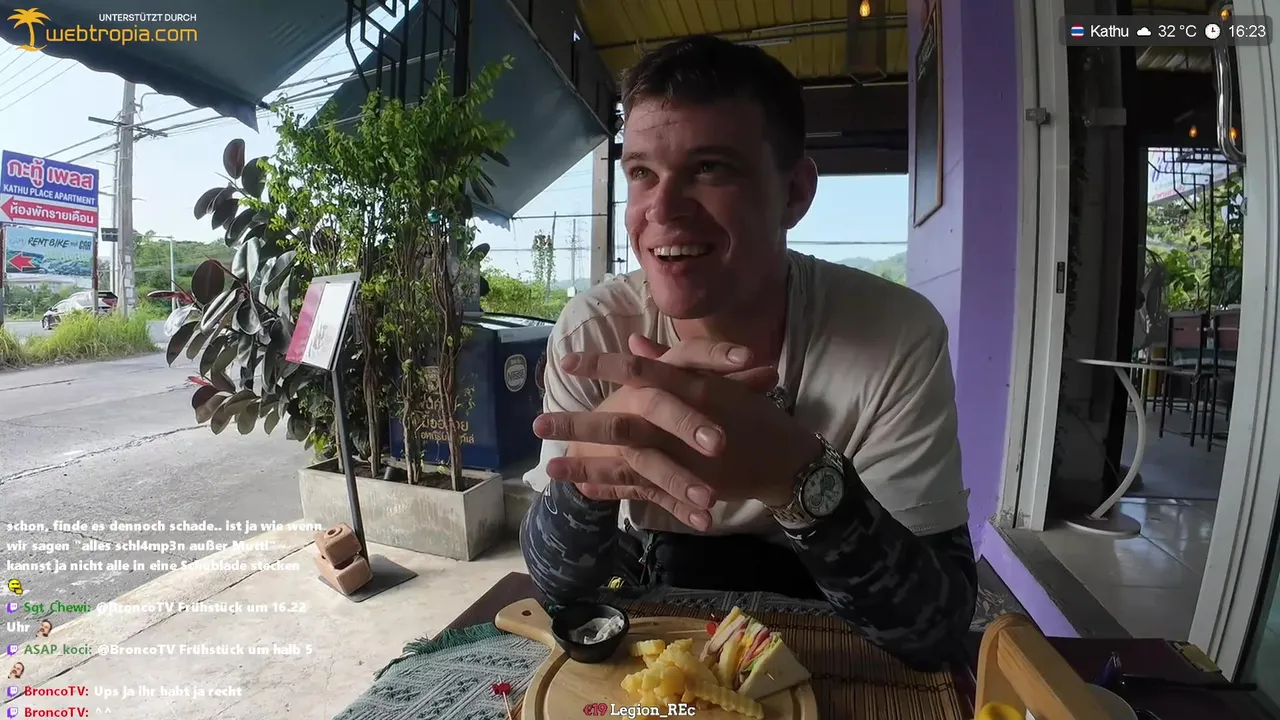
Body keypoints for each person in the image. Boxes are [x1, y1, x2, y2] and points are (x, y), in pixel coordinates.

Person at [519, 35, 976, 671]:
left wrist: (796, 475)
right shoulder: (593, 336)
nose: (661, 210)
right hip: (661, 651)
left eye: (710, 168)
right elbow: (561, 595)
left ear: (794, 193)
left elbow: (933, 631)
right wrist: (593, 473)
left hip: (839, 650)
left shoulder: (895, 336)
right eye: (642, 173)